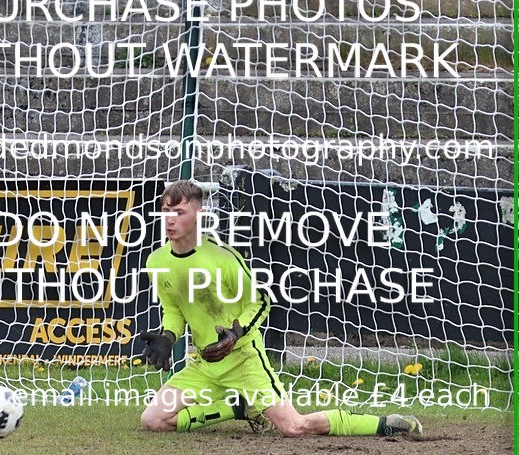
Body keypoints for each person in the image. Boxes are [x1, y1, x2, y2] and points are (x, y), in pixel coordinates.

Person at [139, 180, 423, 438]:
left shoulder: (222, 257)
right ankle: (236, 408)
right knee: (152, 419)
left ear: (199, 216)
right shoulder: (157, 261)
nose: (170, 219)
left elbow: (259, 301)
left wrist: (236, 333)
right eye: (165, 211)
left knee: (294, 427)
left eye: (179, 212)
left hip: (243, 360)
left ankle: (384, 423)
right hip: (203, 365)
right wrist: (168, 337)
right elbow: (174, 309)